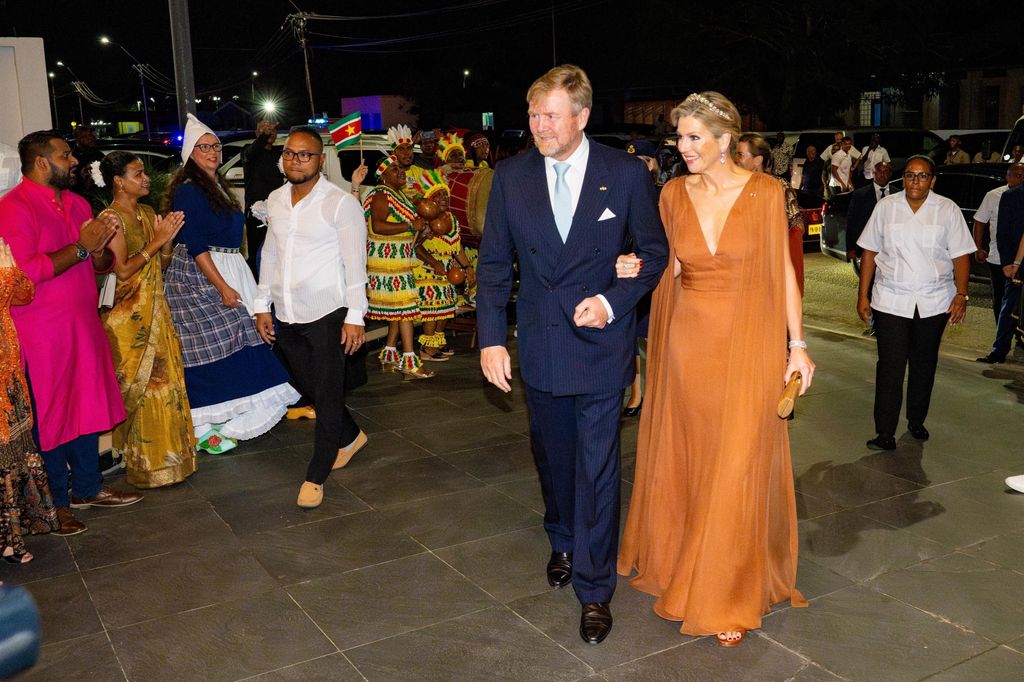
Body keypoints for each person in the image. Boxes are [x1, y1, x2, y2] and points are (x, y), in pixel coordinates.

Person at [477, 64, 668, 645]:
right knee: (554, 457)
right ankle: (561, 534)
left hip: (602, 347)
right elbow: (492, 266)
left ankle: (593, 587)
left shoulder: (625, 173)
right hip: (539, 342)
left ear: (582, 116)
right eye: (533, 114)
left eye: (550, 115)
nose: (538, 125)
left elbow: (654, 253)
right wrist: (490, 339)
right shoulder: (511, 177)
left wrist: (613, 302)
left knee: (598, 464)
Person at [615, 92, 813, 647]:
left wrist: (797, 345)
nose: (684, 147)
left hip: (749, 345)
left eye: (694, 137)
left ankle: (726, 591)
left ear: (726, 140)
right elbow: (669, 269)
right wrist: (629, 265)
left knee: (738, 462)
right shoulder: (673, 195)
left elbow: (782, 273)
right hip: (688, 347)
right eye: (679, 137)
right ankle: (690, 562)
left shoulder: (767, 193)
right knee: (698, 458)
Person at [0, 130, 141, 536]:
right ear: (41, 162)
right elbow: (23, 274)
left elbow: (93, 265)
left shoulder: (78, 202)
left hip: (82, 323)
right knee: (52, 416)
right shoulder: (14, 208)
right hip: (40, 332)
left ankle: (88, 488)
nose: (74, 160)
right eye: (66, 155)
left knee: (85, 407)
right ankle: (56, 503)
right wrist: (82, 247)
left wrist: (97, 252)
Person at [163, 114, 299, 453]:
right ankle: (208, 423)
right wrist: (222, 286)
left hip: (230, 264)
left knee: (242, 338)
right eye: (204, 147)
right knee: (219, 341)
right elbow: (194, 243)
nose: (212, 151)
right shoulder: (190, 191)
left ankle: (229, 420)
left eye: (215, 145)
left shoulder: (218, 185)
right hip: (201, 274)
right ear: (190, 154)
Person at [255, 128, 369, 509]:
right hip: (287, 312)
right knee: (315, 389)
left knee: (328, 390)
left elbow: (356, 264)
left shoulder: (340, 204)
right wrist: (261, 304)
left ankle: (316, 475)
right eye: (290, 153)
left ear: (321, 160)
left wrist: (355, 316)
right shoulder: (274, 200)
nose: (296, 161)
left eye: (305, 155)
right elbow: (270, 254)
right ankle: (352, 435)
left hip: (329, 313)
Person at [856, 155, 975, 450]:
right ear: (903, 178)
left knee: (924, 364)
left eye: (922, 176)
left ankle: (916, 420)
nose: (915, 181)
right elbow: (869, 252)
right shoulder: (886, 207)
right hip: (891, 299)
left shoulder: (947, 209)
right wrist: (863, 294)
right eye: (910, 175)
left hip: (934, 301)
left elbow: (961, 255)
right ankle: (885, 432)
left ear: (932, 180)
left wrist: (961, 295)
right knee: (890, 367)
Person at [95, 151, 196, 488]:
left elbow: (160, 266)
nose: (146, 179)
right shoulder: (110, 219)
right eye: (138, 174)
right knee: (143, 389)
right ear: (119, 181)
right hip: (128, 321)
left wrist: (165, 245)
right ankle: (143, 465)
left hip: (156, 312)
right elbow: (122, 269)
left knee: (166, 386)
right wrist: (157, 240)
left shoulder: (148, 212)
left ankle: (171, 462)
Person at [0, 238, 57, 563]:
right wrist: (6, 279)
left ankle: (9, 540)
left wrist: (10, 275)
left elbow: (25, 293)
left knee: (8, 457)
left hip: (7, 370)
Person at [364, 154, 434, 379]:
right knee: (406, 310)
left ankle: (390, 352)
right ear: (383, 176)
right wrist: (409, 225)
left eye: (400, 169)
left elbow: (406, 231)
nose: (401, 172)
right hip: (387, 261)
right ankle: (411, 361)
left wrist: (420, 232)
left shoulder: (398, 195)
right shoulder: (381, 195)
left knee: (399, 311)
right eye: (394, 169)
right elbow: (378, 226)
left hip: (398, 259)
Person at [411, 169, 476, 361]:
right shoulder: (423, 219)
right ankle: (426, 347)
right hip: (427, 269)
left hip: (447, 269)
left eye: (446, 194)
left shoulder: (452, 219)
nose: (443, 198)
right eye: (438, 194)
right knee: (433, 309)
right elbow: (415, 247)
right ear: (429, 199)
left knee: (446, 308)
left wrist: (468, 267)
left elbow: (456, 248)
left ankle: (437, 341)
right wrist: (434, 262)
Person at [736, 133, 807, 294]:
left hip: (770, 273)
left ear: (757, 160)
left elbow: (796, 229)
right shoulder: (733, 187)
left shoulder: (778, 186)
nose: (736, 160)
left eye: (740, 154)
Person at [978, 173, 1024, 364]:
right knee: (1009, 306)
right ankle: (999, 350)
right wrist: (1008, 262)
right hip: (1016, 263)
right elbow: (1002, 232)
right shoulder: (1011, 195)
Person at [845, 161, 894, 336]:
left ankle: (886, 323)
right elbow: (852, 221)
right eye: (880, 171)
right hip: (868, 249)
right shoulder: (861, 194)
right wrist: (850, 247)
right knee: (871, 284)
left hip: (889, 250)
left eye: (887, 172)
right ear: (874, 173)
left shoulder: (897, 195)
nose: (883, 175)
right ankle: (875, 324)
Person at [241, 117, 283, 275]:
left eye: (272, 130)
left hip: (277, 213)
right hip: (256, 215)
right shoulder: (247, 151)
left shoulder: (279, 154)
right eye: (264, 129)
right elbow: (253, 151)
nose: (270, 132)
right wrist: (264, 136)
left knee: (277, 254)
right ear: (256, 133)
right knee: (257, 254)